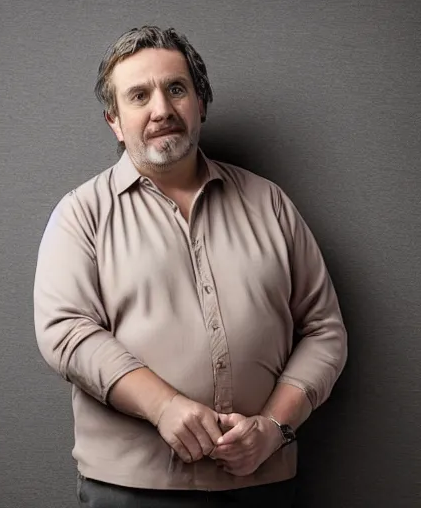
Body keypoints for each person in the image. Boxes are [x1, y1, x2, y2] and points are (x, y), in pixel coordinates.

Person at [33, 25, 347, 507]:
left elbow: (325, 330)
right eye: (139, 96)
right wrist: (164, 406)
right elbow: (66, 331)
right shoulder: (81, 214)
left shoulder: (270, 204)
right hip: (130, 490)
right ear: (114, 121)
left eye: (175, 89)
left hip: (263, 483)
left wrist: (274, 428)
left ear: (200, 103)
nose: (161, 110)